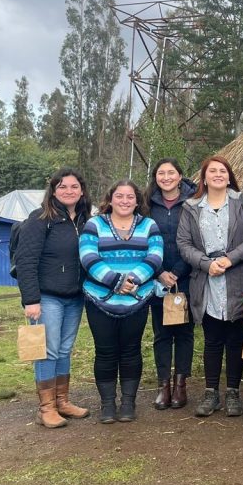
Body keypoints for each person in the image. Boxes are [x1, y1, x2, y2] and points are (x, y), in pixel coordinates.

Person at [177, 155, 243, 418]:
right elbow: (183, 243)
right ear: (203, 178)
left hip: (238, 279)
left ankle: (234, 393)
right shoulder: (191, 207)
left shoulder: (242, 202)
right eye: (212, 171)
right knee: (213, 340)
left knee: (236, 340)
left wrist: (230, 259)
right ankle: (211, 392)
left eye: (222, 171)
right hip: (207, 282)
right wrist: (205, 263)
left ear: (229, 176)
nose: (218, 174)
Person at [80, 180, 163, 424]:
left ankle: (128, 402)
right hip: (100, 299)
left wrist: (133, 280)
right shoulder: (94, 224)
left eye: (130, 197)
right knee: (105, 352)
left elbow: (155, 256)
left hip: (136, 299)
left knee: (131, 351)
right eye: (119, 196)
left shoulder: (149, 225)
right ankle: (107, 404)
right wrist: (115, 281)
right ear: (111, 198)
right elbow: (88, 256)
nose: (124, 201)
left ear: (137, 201)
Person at [15, 168, 92, 429]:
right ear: (53, 191)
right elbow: (26, 260)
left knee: (64, 349)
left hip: (75, 297)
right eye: (62, 187)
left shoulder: (85, 221)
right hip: (47, 297)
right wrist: (31, 299)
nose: (68, 191)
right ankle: (45, 408)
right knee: (47, 349)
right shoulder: (39, 220)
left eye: (73, 186)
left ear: (82, 191)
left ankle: (62, 400)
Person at [145, 158, 197, 410]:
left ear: (179, 176)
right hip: (156, 278)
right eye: (161, 173)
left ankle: (181, 385)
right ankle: (163, 386)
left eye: (171, 172)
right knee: (161, 334)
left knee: (185, 333)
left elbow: (198, 240)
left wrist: (176, 272)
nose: (166, 177)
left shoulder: (193, 201)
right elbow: (140, 239)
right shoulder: (146, 203)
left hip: (185, 276)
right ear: (156, 177)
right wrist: (159, 272)